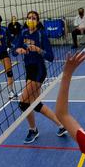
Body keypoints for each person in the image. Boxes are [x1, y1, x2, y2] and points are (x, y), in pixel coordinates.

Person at [12, 10, 67, 143]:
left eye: (34, 18)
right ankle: (61, 125)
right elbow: (14, 49)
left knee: (23, 103)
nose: (31, 20)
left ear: (37, 21)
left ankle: (33, 130)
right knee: (35, 104)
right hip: (29, 69)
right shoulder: (23, 33)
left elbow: (51, 57)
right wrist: (17, 50)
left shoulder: (41, 35)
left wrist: (38, 50)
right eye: (29, 18)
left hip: (39, 70)